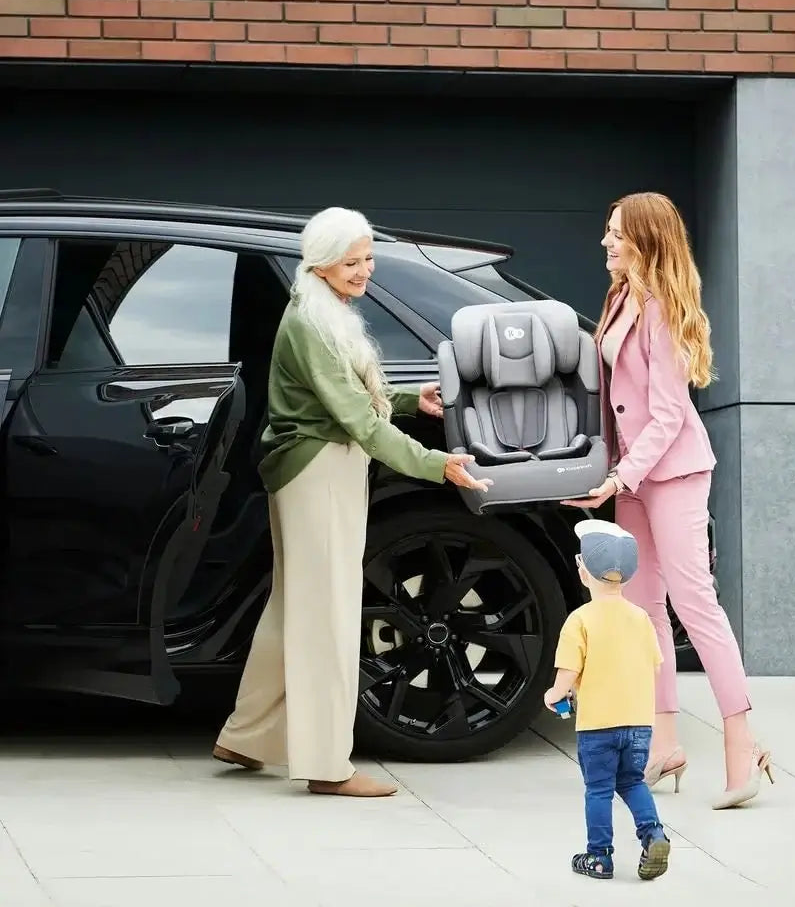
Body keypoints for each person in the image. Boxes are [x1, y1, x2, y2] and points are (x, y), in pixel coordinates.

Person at [212, 206, 490, 798]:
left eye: (367, 259)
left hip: (313, 467)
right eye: (353, 260)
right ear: (324, 260)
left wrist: (414, 403)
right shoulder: (310, 323)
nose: (365, 270)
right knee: (327, 618)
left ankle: (247, 735)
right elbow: (358, 421)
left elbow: (354, 398)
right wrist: (437, 464)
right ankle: (324, 765)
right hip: (319, 470)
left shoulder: (319, 309)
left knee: (294, 609)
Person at [562, 192, 773, 811]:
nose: (605, 242)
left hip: (673, 472)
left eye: (617, 234)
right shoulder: (621, 298)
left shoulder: (661, 307)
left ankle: (742, 741)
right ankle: (665, 744)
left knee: (693, 603)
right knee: (642, 607)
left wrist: (620, 476)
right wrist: (605, 470)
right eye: (606, 232)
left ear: (647, 241)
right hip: (634, 475)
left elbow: (666, 413)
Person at [545, 519, 672, 882]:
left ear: (582, 570)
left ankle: (599, 856)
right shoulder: (640, 618)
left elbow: (567, 674)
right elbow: (654, 667)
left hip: (598, 726)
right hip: (638, 724)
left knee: (598, 789)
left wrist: (554, 695)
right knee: (633, 782)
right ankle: (654, 834)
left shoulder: (579, 620)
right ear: (628, 576)